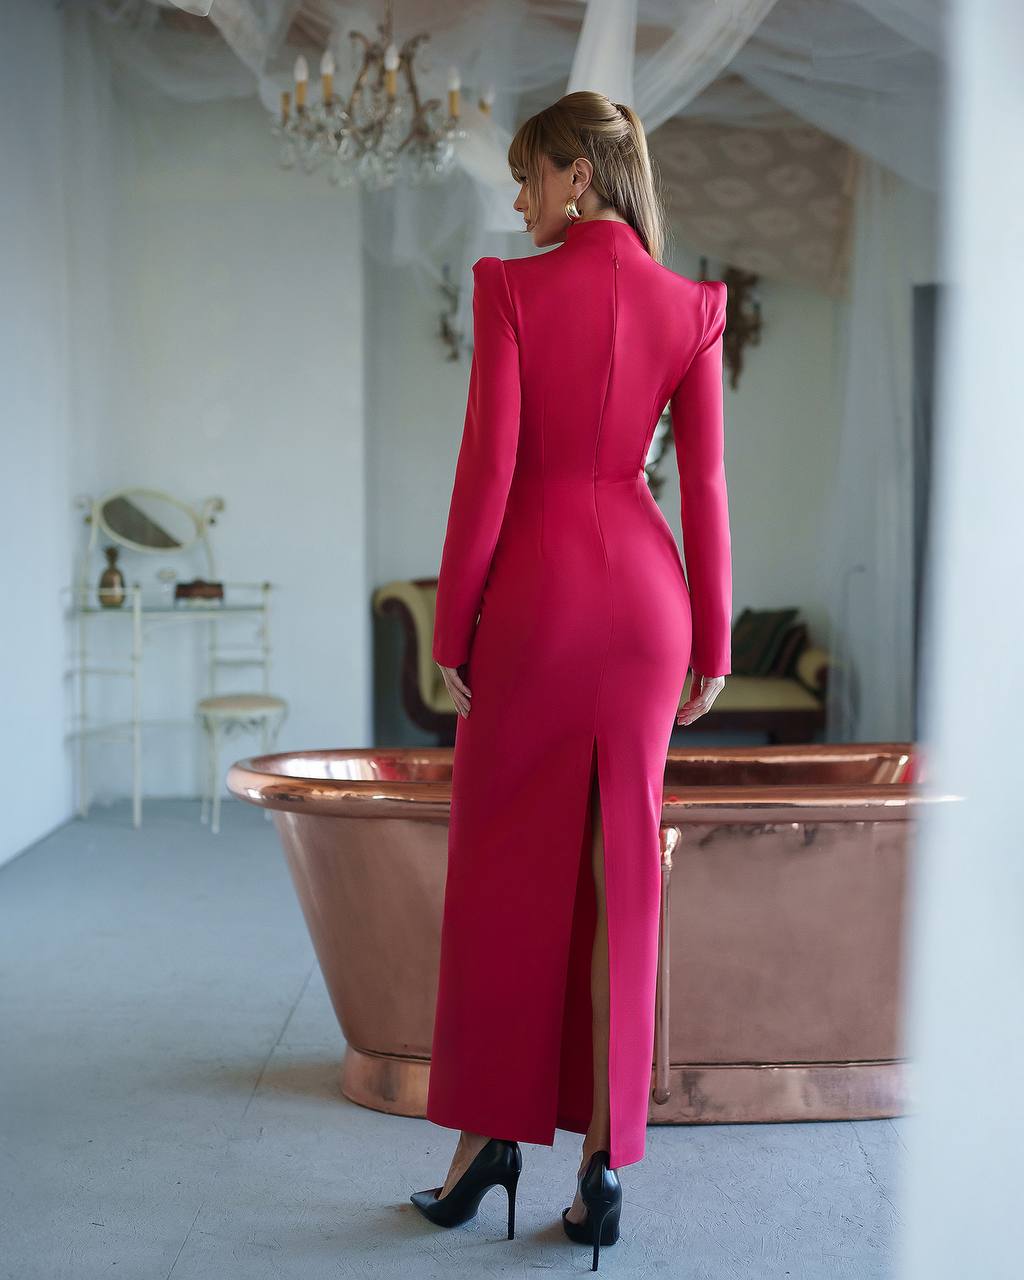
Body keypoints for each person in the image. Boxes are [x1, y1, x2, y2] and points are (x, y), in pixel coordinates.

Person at [410, 90, 731, 1269]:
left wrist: (452, 623)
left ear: (579, 178)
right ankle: (603, 1161)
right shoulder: (692, 304)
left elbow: (487, 469)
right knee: (624, 880)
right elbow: (702, 490)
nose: (520, 197)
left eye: (530, 176)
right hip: (649, 603)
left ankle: (486, 1145)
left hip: (538, 602)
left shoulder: (509, 289)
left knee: (503, 879)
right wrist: (715, 641)